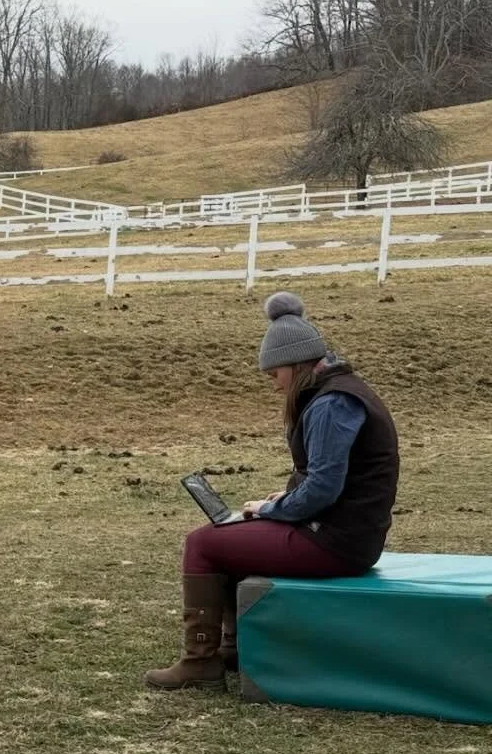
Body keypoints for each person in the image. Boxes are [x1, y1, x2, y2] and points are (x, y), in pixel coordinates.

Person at [145, 290, 400, 691]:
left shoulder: (332, 405)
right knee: (228, 537)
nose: (275, 386)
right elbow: (327, 482)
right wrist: (275, 503)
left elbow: (322, 488)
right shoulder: (339, 392)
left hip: (336, 541)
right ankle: (232, 650)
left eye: (274, 375)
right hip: (344, 533)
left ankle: (200, 661)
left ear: (294, 365)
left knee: (202, 544)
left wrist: (271, 510)